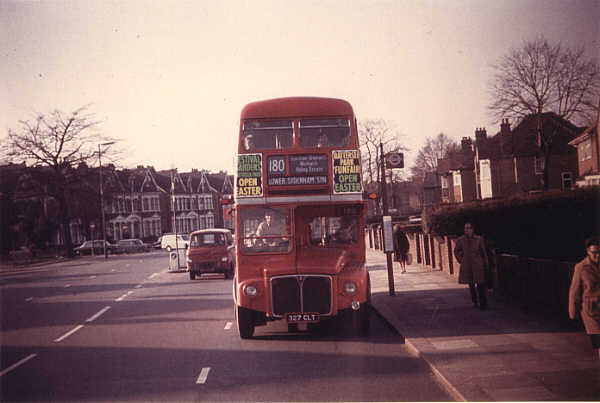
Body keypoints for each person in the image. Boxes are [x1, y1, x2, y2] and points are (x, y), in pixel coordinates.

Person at [568, 237, 600, 359]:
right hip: (591, 313)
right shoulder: (581, 267)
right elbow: (574, 291)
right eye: (594, 253)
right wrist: (573, 312)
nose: (597, 256)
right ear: (588, 251)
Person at [454, 222, 489, 309]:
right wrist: (461, 260)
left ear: (472, 229)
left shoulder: (479, 239)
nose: (467, 230)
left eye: (469, 228)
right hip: (467, 265)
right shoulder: (461, 240)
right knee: (471, 285)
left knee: (480, 284)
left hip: (478, 265)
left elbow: (483, 252)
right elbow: (456, 251)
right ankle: (475, 302)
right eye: (466, 228)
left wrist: (485, 262)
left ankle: (483, 303)